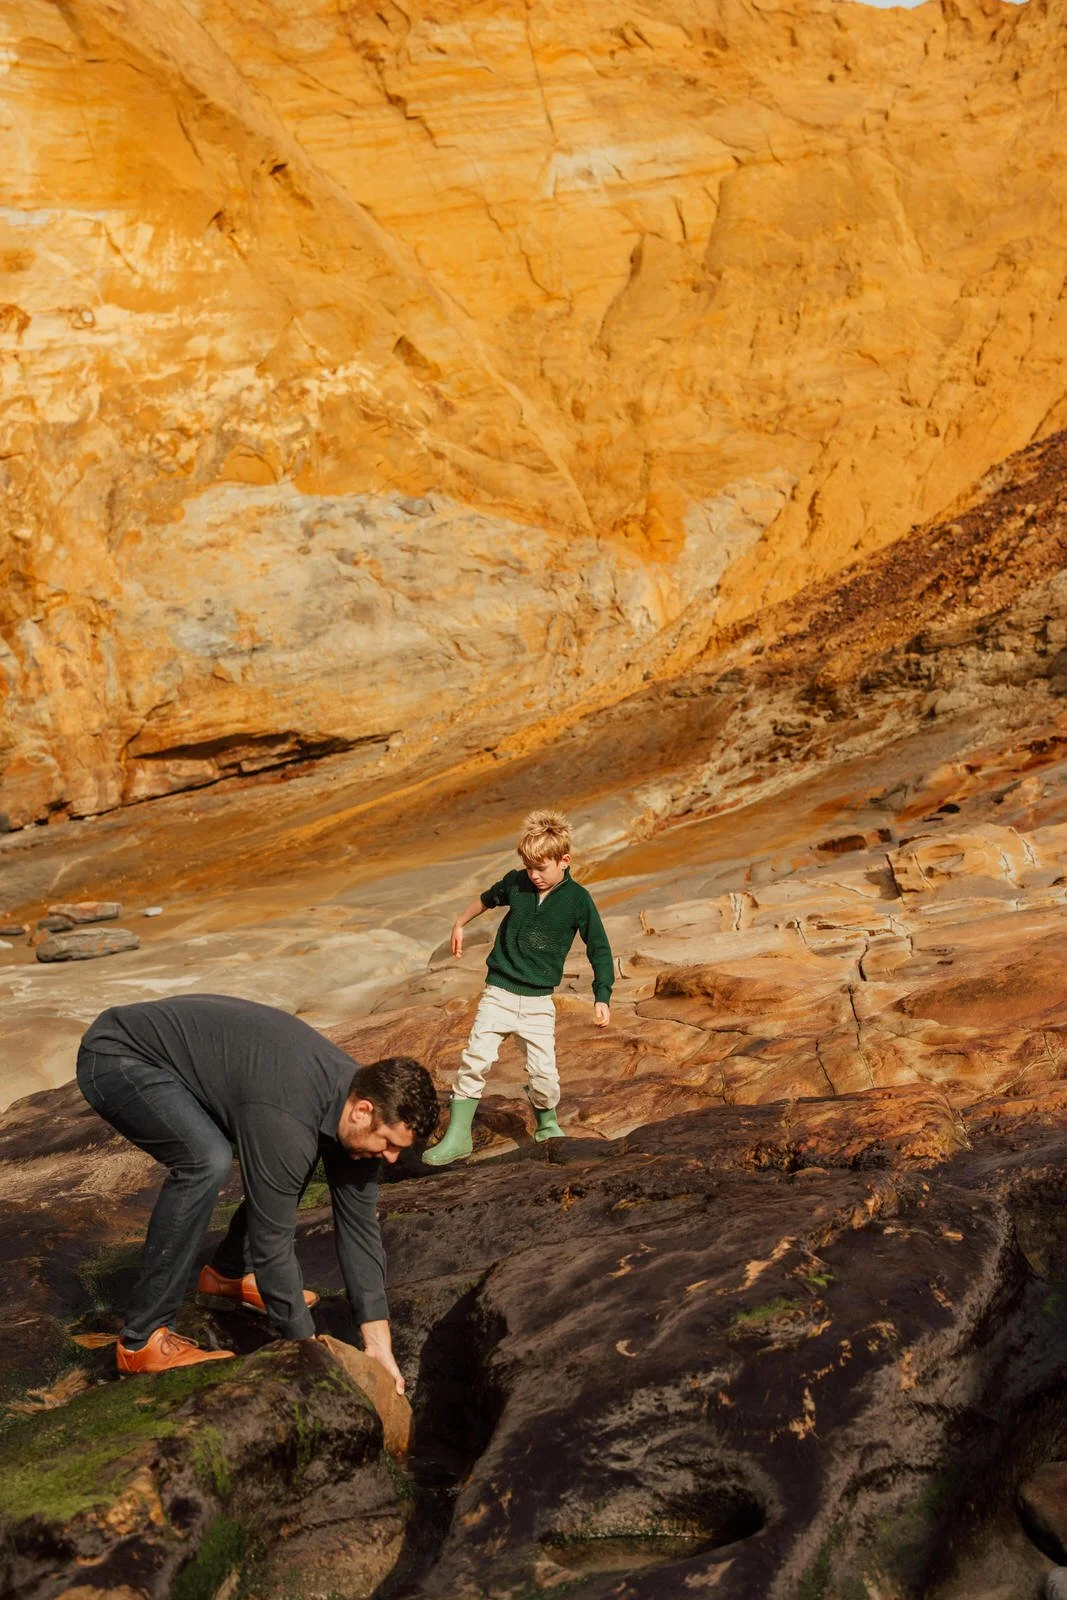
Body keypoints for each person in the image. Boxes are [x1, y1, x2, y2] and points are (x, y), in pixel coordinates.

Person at [76, 993, 438, 1384]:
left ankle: (227, 1275)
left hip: (202, 1068)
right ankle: (141, 1339)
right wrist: (309, 1353)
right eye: (389, 1144)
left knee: (283, 1167)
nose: (392, 1159)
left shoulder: (356, 1107)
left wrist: (379, 1344)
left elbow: (360, 1230)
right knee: (205, 1160)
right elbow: (272, 1245)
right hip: (119, 1056)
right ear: (363, 1110)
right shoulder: (288, 1118)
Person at [424, 809, 613, 1166]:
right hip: (499, 992)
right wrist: (460, 923)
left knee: (545, 1075)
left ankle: (546, 1124)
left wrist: (602, 996)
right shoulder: (517, 883)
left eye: (541, 868)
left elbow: (599, 948)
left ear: (564, 861)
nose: (535, 876)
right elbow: (486, 898)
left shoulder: (578, 900)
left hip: (539, 1001)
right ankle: (459, 1136)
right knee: (475, 1060)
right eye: (529, 868)